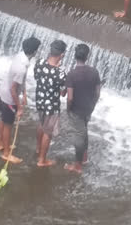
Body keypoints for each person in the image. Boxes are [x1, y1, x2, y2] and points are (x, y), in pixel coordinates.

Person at [0, 36, 41, 164]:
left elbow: (18, 82)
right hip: (9, 97)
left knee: (3, 120)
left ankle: (0, 143)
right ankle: (6, 154)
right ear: (34, 51)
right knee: (8, 125)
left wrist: (25, 93)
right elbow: (13, 89)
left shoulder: (20, 56)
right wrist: (19, 107)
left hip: (2, 91)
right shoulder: (22, 68)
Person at [63, 43, 102, 174]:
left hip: (76, 111)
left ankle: (77, 166)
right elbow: (97, 93)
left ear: (75, 56)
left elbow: (70, 97)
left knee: (78, 137)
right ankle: (84, 158)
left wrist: (68, 109)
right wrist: (93, 106)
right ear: (87, 56)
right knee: (84, 131)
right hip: (88, 109)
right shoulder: (94, 72)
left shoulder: (72, 74)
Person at [33, 39, 68, 167]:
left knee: (41, 124)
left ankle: (38, 148)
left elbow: (36, 77)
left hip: (39, 100)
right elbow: (64, 92)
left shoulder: (40, 62)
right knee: (48, 132)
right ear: (62, 55)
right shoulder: (60, 72)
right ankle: (42, 160)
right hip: (51, 106)